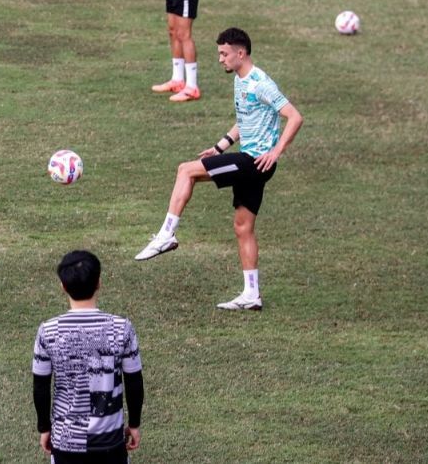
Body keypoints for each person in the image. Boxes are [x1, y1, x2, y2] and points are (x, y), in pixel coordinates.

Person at [135, 28, 303, 311]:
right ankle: (252, 294)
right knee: (243, 227)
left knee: (186, 170)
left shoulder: (260, 83)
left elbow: (294, 116)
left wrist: (276, 151)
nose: (221, 59)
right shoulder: (241, 80)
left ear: (241, 53)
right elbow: (246, 119)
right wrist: (220, 146)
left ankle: (166, 234)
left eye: (224, 54)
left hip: (253, 162)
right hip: (252, 161)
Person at [33, 250, 144, 463]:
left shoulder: (48, 331)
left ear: (63, 286)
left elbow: (41, 386)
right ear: (99, 283)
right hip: (110, 442)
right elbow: (134, 381)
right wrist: (135, 424)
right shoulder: (122, 328)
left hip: (65, 442)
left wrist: (44, 427)